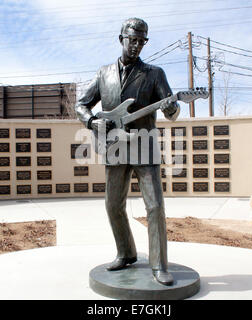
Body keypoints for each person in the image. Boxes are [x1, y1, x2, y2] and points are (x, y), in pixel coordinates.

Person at [75, 17, 180, 286]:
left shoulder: (155, 74)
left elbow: (172, 112)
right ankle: (126, 252)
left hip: (144, 146)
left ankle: (158, 265)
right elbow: (82, 105)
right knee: (113, 205)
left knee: (155, 206)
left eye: (141, 41)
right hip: (115, 147)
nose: (136, 46)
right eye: (131, 40)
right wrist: (91, 121)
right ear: (120, 39)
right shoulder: (103, 73)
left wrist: (171, 107)